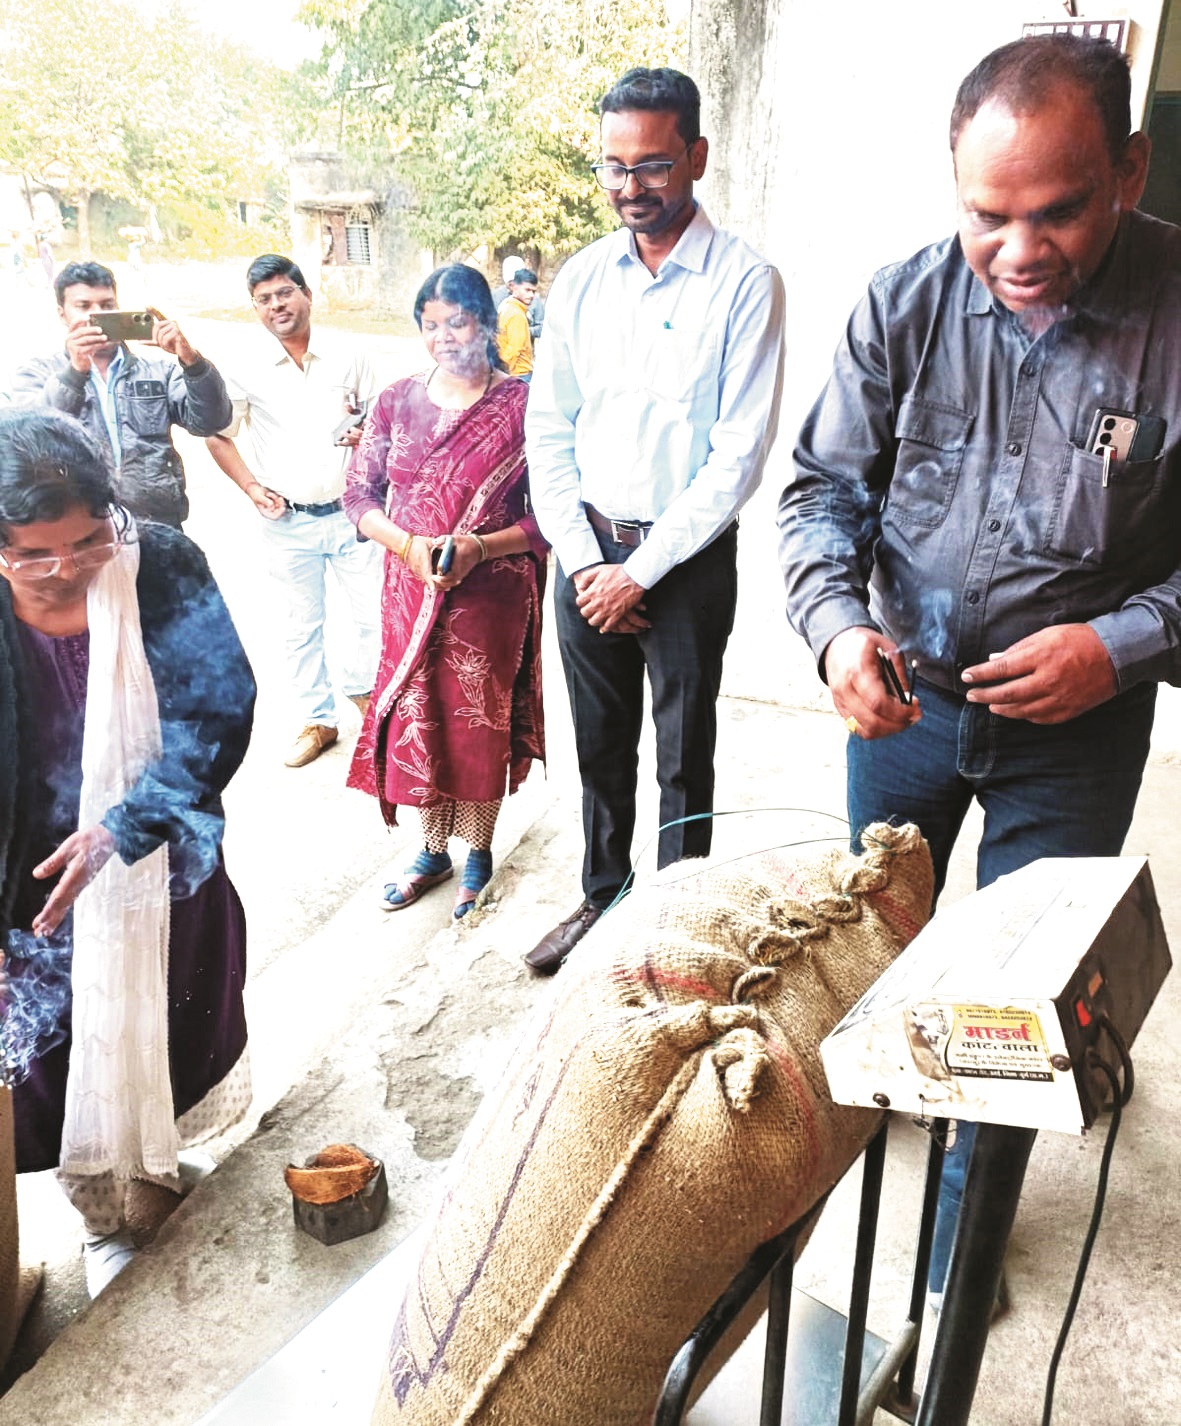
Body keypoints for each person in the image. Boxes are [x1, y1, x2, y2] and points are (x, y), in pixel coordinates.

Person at [777, 33, 1180, 1306]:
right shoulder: (901, 302)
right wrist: (837, 628)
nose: (1015, 253)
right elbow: (817, 496)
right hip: (901, 708)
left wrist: (1118, 645)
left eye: (1055, 212)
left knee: (1011, 1016)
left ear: (1126, 169)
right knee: (876, 951)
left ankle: (957, 1251)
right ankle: (883, 1117)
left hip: (1077, 732)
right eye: (984, 216)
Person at [523, 66, 785, 973]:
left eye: (651, 166)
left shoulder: (746, 283)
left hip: (686, 565)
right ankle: (602, 901)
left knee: (683, 754)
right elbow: (547, 428)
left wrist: (642, 572)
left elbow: (736, 458)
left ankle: (676, 931)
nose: (629, 188)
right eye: (612, 167)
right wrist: (590, 561)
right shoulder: (583, 282)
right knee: (599, 748)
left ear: (695, 157)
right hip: (585, 552)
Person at [0, 408, 255, 1297]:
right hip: (31, 886)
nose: (65, 569)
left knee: (170, 1022)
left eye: (84, 542)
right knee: (58, 1061)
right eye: (32, 554)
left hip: (157, 858)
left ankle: (154, 1181)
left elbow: (219, 707)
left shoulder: (159, 561)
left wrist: (125, 822)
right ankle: (102, 1223)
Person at [344, 264, 546, 920]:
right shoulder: (396, 400)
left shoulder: (523, 407)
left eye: (456, 322)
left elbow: (551, 514)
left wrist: (479, 548)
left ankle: (479, 849)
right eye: (430, 326)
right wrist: (407, 546)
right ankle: (433, 850)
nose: (444, 338)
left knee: (474, 725)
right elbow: (359, 493)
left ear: (486, 323)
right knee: (419, 718)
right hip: (410, 592)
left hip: (490, 601)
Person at [205, 254, 382, 769]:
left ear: (306, 294)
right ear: (255, 309)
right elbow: (219, 435)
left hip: (355, 516)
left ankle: (367, 695)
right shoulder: (244, 366)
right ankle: (318, 720)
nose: (276, 305)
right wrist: (251, 487)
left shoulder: (351, 354)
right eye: (264, 299)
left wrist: (366, 437)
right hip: (287, 522)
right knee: (300, 625)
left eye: (284, 293)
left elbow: (383, 425)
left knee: (372, 615)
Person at [10, 260, 231, 528]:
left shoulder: (156, 371)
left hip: (156, 525)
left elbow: (212, 421)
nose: (98, 315)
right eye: (83, 306)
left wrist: (192, 361)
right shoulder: (38, 373)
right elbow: (28, 441)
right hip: (77, 529)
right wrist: (75, 373)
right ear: (62, 314)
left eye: (107, 305)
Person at [496, 268, 538, 380]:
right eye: (527, 290)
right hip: (518, 373)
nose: (531, 295)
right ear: (514, 287)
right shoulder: (516, 314)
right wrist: (504, 374)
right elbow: (514, 349)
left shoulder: (507, 306)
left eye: (533, 291)